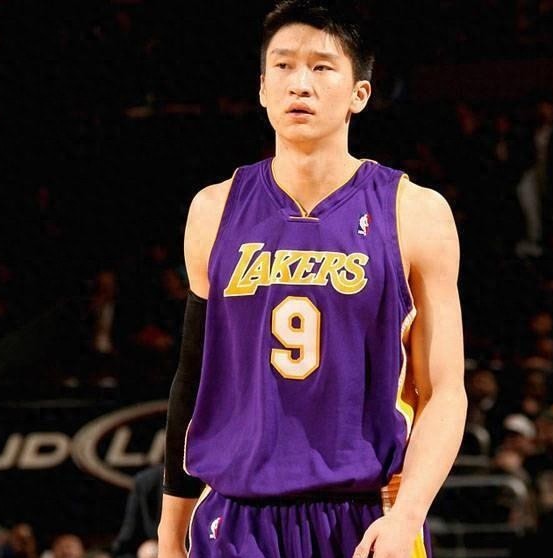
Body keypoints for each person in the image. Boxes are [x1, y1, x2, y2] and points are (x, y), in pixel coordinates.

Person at [158, 2, 466, 557]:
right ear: (261, 87)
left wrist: (409, 514)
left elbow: (444, 389)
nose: (300, 83)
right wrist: (167, 532)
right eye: (283, 66)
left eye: (322, 67)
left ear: (359, 94)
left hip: (367, 512)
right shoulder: (212, 210)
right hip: (236, 517)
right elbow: (192, 376)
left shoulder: (415, 212)